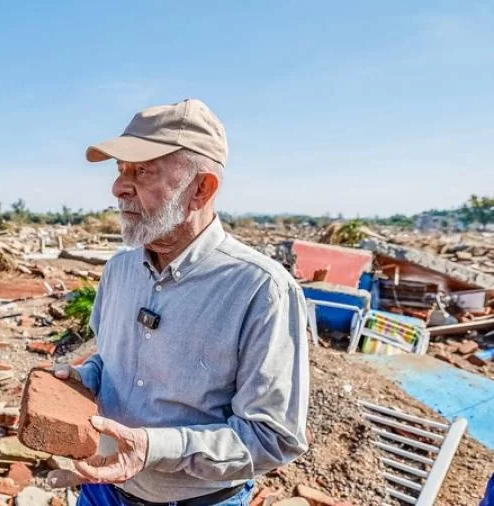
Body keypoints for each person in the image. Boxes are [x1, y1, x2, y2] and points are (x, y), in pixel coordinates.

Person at [49, 99, 310, 505]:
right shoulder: (119, 271)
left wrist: (153, 448)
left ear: (201, 188)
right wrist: (86, 379)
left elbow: (272, 437)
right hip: (103, 491)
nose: (118, 188)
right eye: (120, 172)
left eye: (142, 171)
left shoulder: (261, 290)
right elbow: (111, 359)